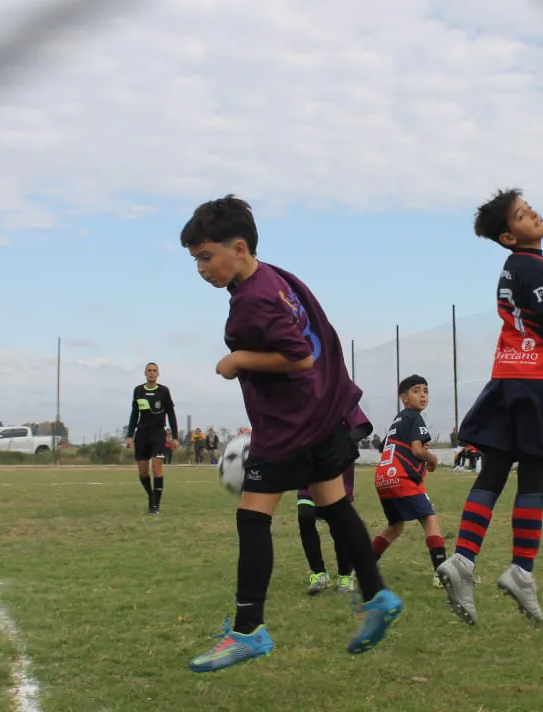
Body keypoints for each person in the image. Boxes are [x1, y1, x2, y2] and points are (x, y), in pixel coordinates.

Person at [180, 194, 401, 672]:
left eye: (205, 257)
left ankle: (247, 631)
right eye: (195, 259)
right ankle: (377, 596)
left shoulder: (253, 302)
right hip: (324, 411)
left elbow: (299, 355)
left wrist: (238, 360)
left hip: (291, 425)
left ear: (237, 248)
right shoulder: (275, 277)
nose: (200, 268)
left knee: (252, 517)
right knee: (335, 505)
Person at [436, 188, 543, 626]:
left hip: (508, 376)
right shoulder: (534, 268)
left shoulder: (512, 269)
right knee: (532, 476)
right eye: (523, 215)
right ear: (509, 237)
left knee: (494, 470)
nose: (534, 215)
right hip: (539, 381)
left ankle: (464, 560)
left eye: (530, 209)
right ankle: (521, 570)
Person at [371, 375, 445, 588]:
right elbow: (417, 450)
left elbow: (384, 446)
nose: (423, 395)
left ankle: (364, 566)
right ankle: (441, 573)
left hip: (383, 478)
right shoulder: (414, 417)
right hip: (401, 478)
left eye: (426, 390)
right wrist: (431, 459)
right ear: (404, 398)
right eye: (416, 390)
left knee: (395, 527)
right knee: (430, 519)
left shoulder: (398, 419)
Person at [125, 363, 179, 514]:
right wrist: (130, 435)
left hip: (158, 434)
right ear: (145, 373)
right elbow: (134, 414)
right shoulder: (138, 391)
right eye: (149, 370)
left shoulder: (164, 391)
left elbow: (171, 415)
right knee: (143, 472)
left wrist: (175, 436)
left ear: (158, 374)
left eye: (154, 371)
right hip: (142, 434)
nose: (152, 373)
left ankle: (155, 505)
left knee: (156, 467)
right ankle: (151, 496)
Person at [298, 465, 356, 595]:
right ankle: (319, 574)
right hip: (310, 471)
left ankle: (345, 575)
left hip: (336, 470)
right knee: (305, 516)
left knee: (339, 527)